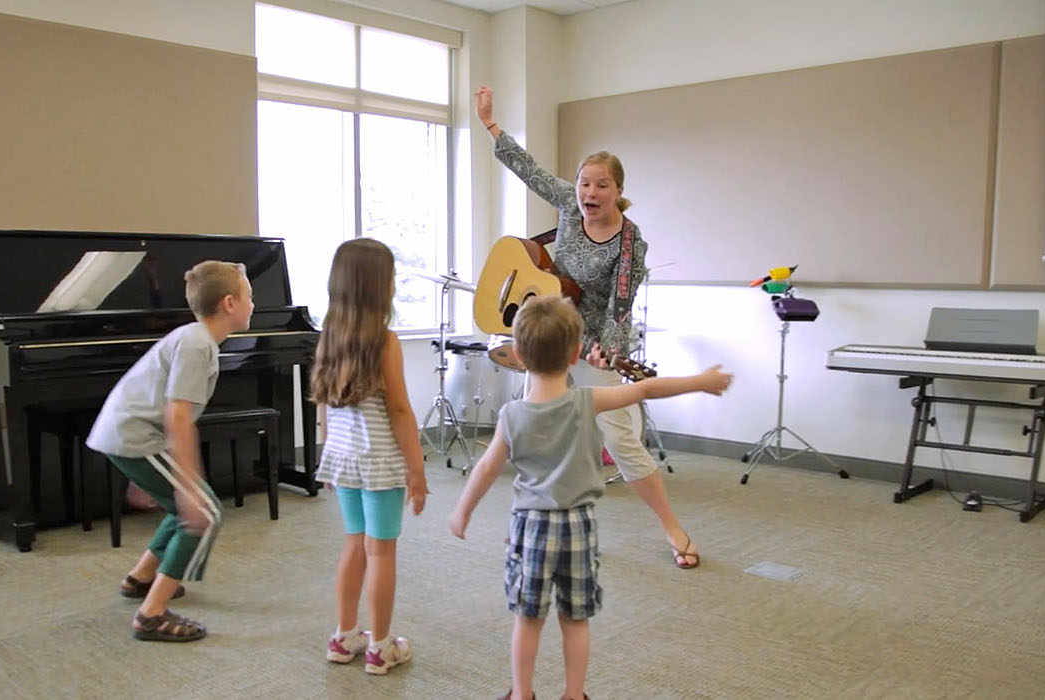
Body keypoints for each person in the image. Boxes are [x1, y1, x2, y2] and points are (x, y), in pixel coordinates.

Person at [449, 296, 732, 700]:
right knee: (575, 620)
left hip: (530, 528)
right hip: (578, 527)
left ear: (517, 357)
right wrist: (700, 382)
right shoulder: (588, 401)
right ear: (575, 354)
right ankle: (574, 694)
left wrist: (462, 511)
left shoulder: (511, 415)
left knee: (528, 620)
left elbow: (486, 468)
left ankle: (523, 694)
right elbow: (646, 388)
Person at [476, 85, 704, 570]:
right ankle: (536, 528)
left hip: (595, 338)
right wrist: (490, 123)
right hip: (552, 336)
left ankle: (673, 528)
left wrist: (606, 349)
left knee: (620, 439)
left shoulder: (629, 243)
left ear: (619, 191)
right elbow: (529, 169)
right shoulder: (566, 204)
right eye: (584, 183)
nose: (589, 193)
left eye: (601, 185)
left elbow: (621, 307)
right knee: (538, 431)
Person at [84, 260, 254, 642]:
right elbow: (178, 416)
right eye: (250, 296)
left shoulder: (195, 337)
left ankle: (141, 578)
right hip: (135, 437)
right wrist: (189, 483)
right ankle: (152, 614)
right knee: (204, 512)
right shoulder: (197, 344)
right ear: (229, 303)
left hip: (128, 434)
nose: (253, 304)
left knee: (186, 508)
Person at [312, 238, 430, 675]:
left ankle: (344, 637)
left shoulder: (329, 337)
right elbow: (400, 410)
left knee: (353, 544)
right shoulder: (384, 342)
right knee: (380, 552)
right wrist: (417, 472)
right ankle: (381, 647)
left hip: (344, 460)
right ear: (379, 287)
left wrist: (326, 453)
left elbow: (321, 402)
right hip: (380, 463)